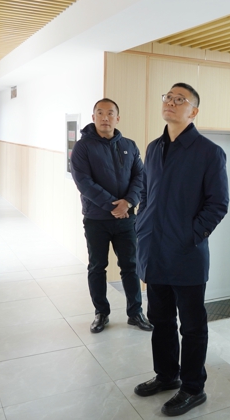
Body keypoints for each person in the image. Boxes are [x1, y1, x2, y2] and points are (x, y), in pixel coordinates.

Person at [133, 83, 229, 417]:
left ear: (193, 111)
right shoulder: (153, 148)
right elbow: (146, 192)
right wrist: (142, 223)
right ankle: (166, 375)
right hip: (154, 250)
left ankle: (192, 387)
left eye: (180, 100)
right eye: (168, 98)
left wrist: (190, 235)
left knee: (191, 325)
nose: (171, 103)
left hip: (187, 253)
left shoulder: (209, 152)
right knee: (160, 319)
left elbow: (218, 204)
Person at [70, 98, 153, 333]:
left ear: (118, 118)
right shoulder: (83, 147)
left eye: (110, 113)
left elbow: (140, 176)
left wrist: (128, 202)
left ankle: (135, 313)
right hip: (96, 219)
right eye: (100, 113)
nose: (105, 118)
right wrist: (113, 206)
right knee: (97, 266)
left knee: (131, 266)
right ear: (93, 117)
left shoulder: (129, 145)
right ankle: (101, 313)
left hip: (126, 219)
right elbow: (84, 182)